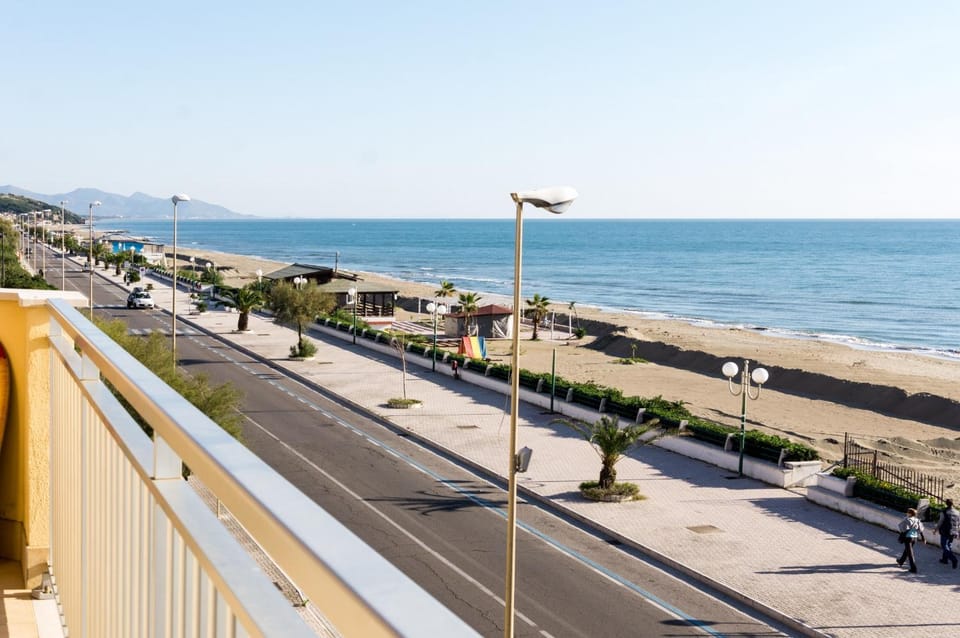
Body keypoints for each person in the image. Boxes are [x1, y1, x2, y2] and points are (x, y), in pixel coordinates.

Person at [897, 507, 925, 573]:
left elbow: (902, 529)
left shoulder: (907, 520)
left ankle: (913, 568)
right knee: (907, 550)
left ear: (909, 514)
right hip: (914, 537)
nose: (907, 513)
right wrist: (923, 538)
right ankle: (901, 561)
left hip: (908, 538)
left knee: (910, 554)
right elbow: (921, 530)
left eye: (907, 512)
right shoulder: (917, 520)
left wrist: (901, 535)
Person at [936, 499, 960, 568]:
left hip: (945, 530)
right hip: (954, 531)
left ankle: (953, 559)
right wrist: (958, 532)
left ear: (946, 504)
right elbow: (959, 523)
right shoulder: (957, 512)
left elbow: (940, 521)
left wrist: (936, 529)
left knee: (944, 545)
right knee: (948, 544)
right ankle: (944, 559)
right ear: (953, 504)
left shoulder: (944, 511)